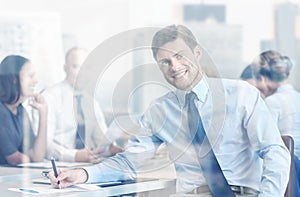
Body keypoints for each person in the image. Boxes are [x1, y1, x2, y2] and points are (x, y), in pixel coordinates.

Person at [49, 25, 290, 196]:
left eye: (179, 56)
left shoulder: (241, 95)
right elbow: (128, 163)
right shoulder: (160, 111)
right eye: (165, 62)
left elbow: (274, 151)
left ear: (196, 54)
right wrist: (82, 173)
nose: (174, 66)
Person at [43, 47, 122, 162]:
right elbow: (44, 144)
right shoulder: (50, 97)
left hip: (86, 164)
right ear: (65, 68)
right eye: (76, 67)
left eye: (86, 68)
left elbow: (102, 140)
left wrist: (112, 149)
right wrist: (74, 156)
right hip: (57, 165)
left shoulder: (92, 103)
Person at [251, 50, 300, 196]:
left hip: (291, 172)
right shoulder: (298, 97)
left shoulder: (271, 102)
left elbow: (263, 141)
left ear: (262, 77)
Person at [0, 55, 48, 165]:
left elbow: (37, 156)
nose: (35, 81)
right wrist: (26, 157)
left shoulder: (20, 110)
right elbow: (15, 159)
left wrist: (43, 113)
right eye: (31, 76)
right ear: (13, 78)